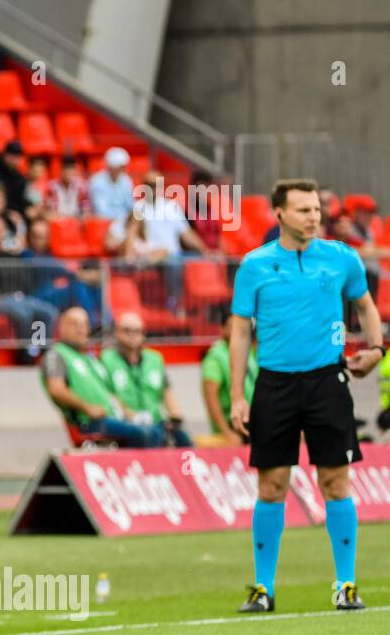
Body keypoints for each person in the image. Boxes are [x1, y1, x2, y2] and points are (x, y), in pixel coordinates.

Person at [229, 179, 382, 613]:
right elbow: (240, 331)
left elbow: (367, 305)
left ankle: (346, 585)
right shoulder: (254, 266)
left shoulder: (340, 258)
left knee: (335, 481)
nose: (313, 217)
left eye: (316, 209)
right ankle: (263, 589)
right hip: (274, 384)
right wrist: (238, 394)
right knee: (271, 484)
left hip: (327, 382)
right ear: (279, 214)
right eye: (302, 210)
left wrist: (375, 350)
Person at [41, 307, 164, 447]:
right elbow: (56, 389)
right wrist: (87, 408)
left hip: (113, 417)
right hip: (89, 422)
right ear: (62, 327)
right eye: (75, 324)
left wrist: (129, 414)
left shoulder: (91, 359)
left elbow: (109, 393)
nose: (81, 329)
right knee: (146, 434)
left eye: (84, 324)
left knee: (158, 430)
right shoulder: (56, 354)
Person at [99, 312, 192, 447]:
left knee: (183, 438)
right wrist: (130, 415)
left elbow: (166, 391)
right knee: (148, 435)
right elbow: (108, 394)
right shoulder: (106, 359)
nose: (132, 335)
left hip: (154, 420)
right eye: (126, 330)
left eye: (137, 331)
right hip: (125, 422)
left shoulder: (155, 359)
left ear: (143, 334)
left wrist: (175, 416)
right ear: (116, 333)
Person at [202, 313, 258, 445]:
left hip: (253, 416)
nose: (236, 329)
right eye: (231, 326)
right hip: (234, 421)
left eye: (240, 326)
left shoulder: (249, 353)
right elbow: (211, 399)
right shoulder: (215, 357)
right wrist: (226, 432)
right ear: (222, 329)